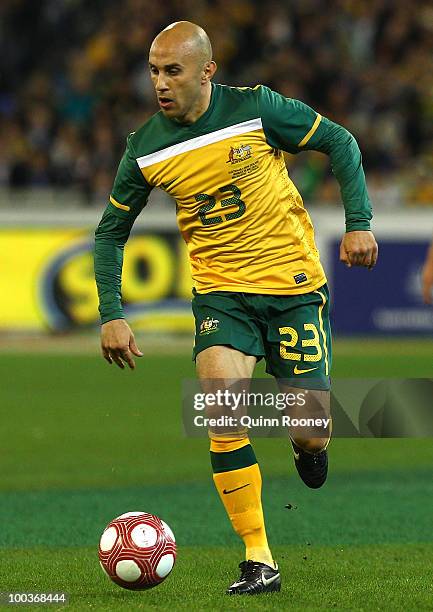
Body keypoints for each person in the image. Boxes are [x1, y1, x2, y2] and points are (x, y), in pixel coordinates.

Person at [94, 21, 378, 595]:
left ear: (207, 71)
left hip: (294, 290)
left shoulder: (258, 109)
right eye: (153, 71)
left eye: (172, 71)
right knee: (223, 414)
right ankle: (259, 558)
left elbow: (341, 141)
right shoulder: (145, 146)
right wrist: (111, 312)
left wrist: (358, 225)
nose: (160, 83)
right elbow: (110, 233)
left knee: (310, 430)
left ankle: (310, 448)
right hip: (221, 297)